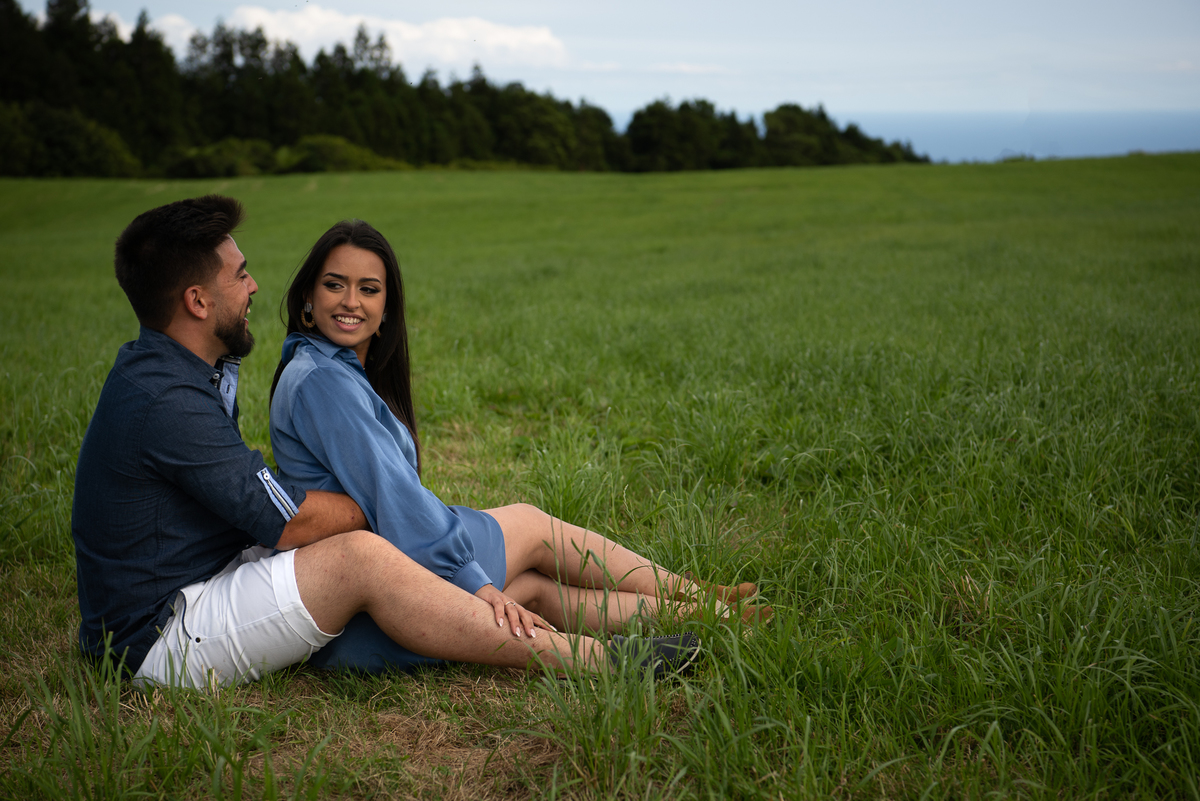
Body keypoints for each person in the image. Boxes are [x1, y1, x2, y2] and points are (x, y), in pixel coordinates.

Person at [72, 195, 700, 689]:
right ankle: (603, 664)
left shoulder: (176, 372)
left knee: (494, 563)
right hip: (157, 637)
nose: (255, 285)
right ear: (198, 299)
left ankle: (693, 610)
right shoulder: (165, 399)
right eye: (240, 275)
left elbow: (261, 499)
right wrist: (368, 508)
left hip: (211, 578)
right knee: (361, 556)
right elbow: (280, 514)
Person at [268, 219, 765, 674]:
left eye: (368, 289)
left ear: (385, 312)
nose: (350, 300)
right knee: (530, 527)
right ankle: (694, 599)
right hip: (377, 590)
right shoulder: (322, 382)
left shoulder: (332, 371)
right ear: (308, 299)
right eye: (335, 284)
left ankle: (704, 613)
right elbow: (391, 493)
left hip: (367, 595)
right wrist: (472, 581)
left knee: (533, 588)